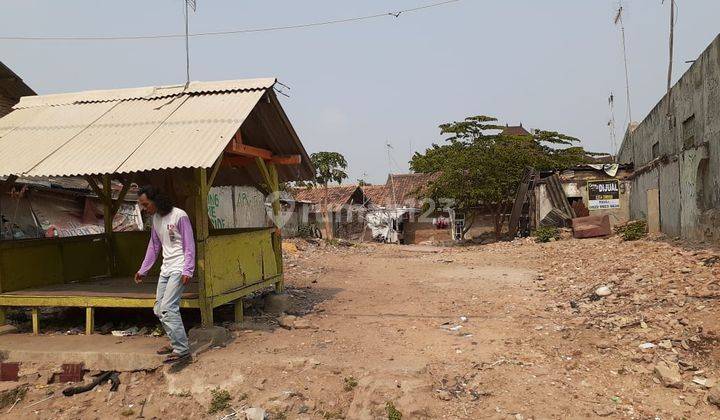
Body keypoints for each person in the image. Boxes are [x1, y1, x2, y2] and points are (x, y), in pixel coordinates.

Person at [135, 186, 194, 362]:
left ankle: (182, 350)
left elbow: (189, 243)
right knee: (159, 309)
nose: (145, 209)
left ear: (155, 200)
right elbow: (154, 246)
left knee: (169, 307)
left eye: (146, 205)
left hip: (179, 267)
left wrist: (188, 269)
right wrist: (143, 269)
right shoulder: (155, 219)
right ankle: (175, 341)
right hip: (166, 268)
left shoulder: (179, 215)